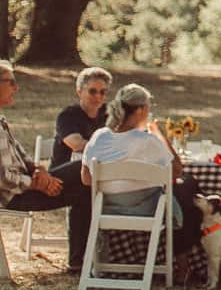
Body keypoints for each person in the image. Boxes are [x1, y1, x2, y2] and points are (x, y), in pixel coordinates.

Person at [81, 82, 202, 257]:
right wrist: (159, 134)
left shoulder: (99, 136)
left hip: (106, 208)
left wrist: (118, 186)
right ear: (140, 110)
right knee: (187, 186)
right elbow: (177, 171)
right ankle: (185, 259)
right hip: (147, 209)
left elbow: (86, 179)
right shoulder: (147, 141)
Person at [0, 59, 87, 273]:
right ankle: (81, 261)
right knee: (83, 168)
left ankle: (80, 262)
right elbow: (2, 178)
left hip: (26, 186)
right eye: (10, 82)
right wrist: (36, 184)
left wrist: (39, 170)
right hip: (13, 195)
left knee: (86, 188)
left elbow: (22, 156)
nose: (16, 87)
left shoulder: (1, 120)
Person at [56, 66, 112, 158]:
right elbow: (78, 145)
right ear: (79, 92)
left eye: (102, 92)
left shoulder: (110, 113)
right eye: (92, 91)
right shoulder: (67, 116)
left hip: (99, 168)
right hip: (67, 169)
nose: (98, 96)